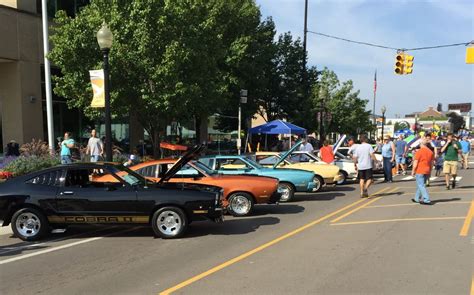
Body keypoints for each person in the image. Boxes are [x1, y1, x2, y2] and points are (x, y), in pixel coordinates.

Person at [411, 137, 434, 205]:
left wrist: (413, 170)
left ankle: (426, 199)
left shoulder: (419, 152)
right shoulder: (430, 152)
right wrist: (430, 170)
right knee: (421, 185)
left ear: (421, 144)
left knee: (421, 185)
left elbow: (415, 162)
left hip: (420, 170)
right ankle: (416, 198)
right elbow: (432, 163)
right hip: (427, 169)